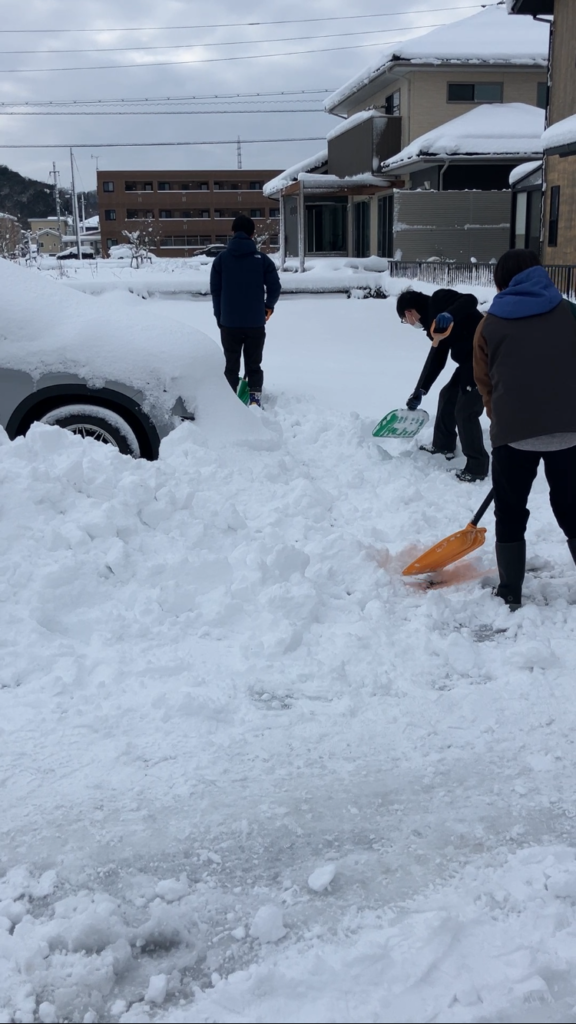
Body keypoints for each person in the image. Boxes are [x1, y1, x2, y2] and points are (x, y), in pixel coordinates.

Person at [474, 248, 576, 610]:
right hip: (571, 431)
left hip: (513, 434)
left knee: (511, 509)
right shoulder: (570, 312)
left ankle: (510, 590)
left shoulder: (489, 324)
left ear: (501, 282)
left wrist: (502, 421)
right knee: (571, 506)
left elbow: (484, 382)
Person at [396, 288, 490, 482]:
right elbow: (438, 359)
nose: (408, 323)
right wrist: (421, 389)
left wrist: (449, 314)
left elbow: (470, 300)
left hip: (487, 358)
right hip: (468, 362)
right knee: (448, 395)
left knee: (465, 411)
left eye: (405, 320)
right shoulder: (433, 327)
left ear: (409, 313)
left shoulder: (439, 299)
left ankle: (477, 468)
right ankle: (443, 446)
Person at [210, 214, 281, 407]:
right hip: (255, 322)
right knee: (254, 363)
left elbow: (216, 292)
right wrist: (268, 307)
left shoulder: (221, 260)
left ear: (233, 232)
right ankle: (254, 398)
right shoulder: (262, 260)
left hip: (229, 323)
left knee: (231, 364)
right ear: (252, 234)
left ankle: (230, 400)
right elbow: (274, 287)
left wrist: (220, 317)